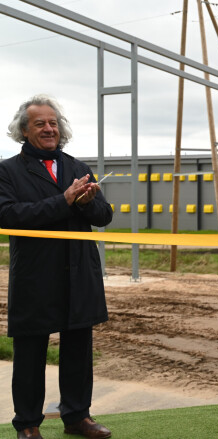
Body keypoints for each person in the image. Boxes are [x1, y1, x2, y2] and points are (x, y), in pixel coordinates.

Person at [0, 95, 113, 439]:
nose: (50, 129)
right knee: (31, 352)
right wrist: (63, 201)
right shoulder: (7, 171)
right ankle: (28, 424)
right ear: (23, 130)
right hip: (37, 275)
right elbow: (9, 215)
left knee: (79, 348)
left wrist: (89, 203)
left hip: (79, 272)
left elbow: (105, 216)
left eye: (53, 123)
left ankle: (77, 416)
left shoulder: (77, 167)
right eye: (40, 124)